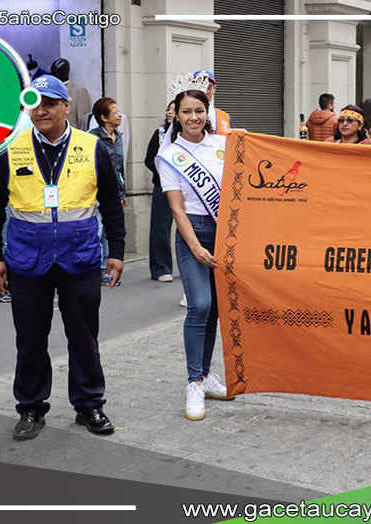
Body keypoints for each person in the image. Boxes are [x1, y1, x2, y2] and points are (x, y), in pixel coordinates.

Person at [0, 75, 125, 440]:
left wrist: (117, 252)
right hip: (28, 260)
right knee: (29, 338)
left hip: (80, 258)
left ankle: (89, 404)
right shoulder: (11, 148)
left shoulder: (92, 147)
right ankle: (30, 407)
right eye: (34, 105)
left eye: (49, 103)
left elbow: (111, 203)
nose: (41, 111)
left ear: (65, 107)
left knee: (84, 336)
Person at [154, 77, 232, 420]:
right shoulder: (169, 155)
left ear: (207, 113)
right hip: (193, 234)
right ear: (176, 115)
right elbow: (176, 209)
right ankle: (193, 384)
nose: (194, 117)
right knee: (199, 305)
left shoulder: (224, 145)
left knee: (215, 309)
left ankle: (206, 374)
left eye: (199, 110)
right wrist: (196, 247)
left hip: (225, 234)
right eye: (187, 111)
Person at [88, 97, 128, 286]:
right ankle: (92, 268)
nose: (120, 115)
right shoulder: (91, 137)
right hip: (96, 192)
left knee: (108, 231)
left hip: (114, 192)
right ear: (103, 117)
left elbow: (120, 167)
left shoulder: (118, 137)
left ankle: (106, 270)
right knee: (97, 230)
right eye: (115, 113)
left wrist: (123, 191)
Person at [145, 101, 178, 282]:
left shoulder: (188, 135)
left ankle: (191, 265)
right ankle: (161, 268)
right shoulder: (159, 134)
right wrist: (164, 172)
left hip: (187, 187)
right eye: (168, 109)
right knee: (160, 229)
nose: (170, 112)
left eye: (174, 110)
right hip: (162, 186)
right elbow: (149, 159)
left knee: (191, 227)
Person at [193, 69, 231, 136]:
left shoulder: (225, 116)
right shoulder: (183, 113)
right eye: (200, 84)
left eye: (208, 85)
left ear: (215, 88)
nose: (205, 88)